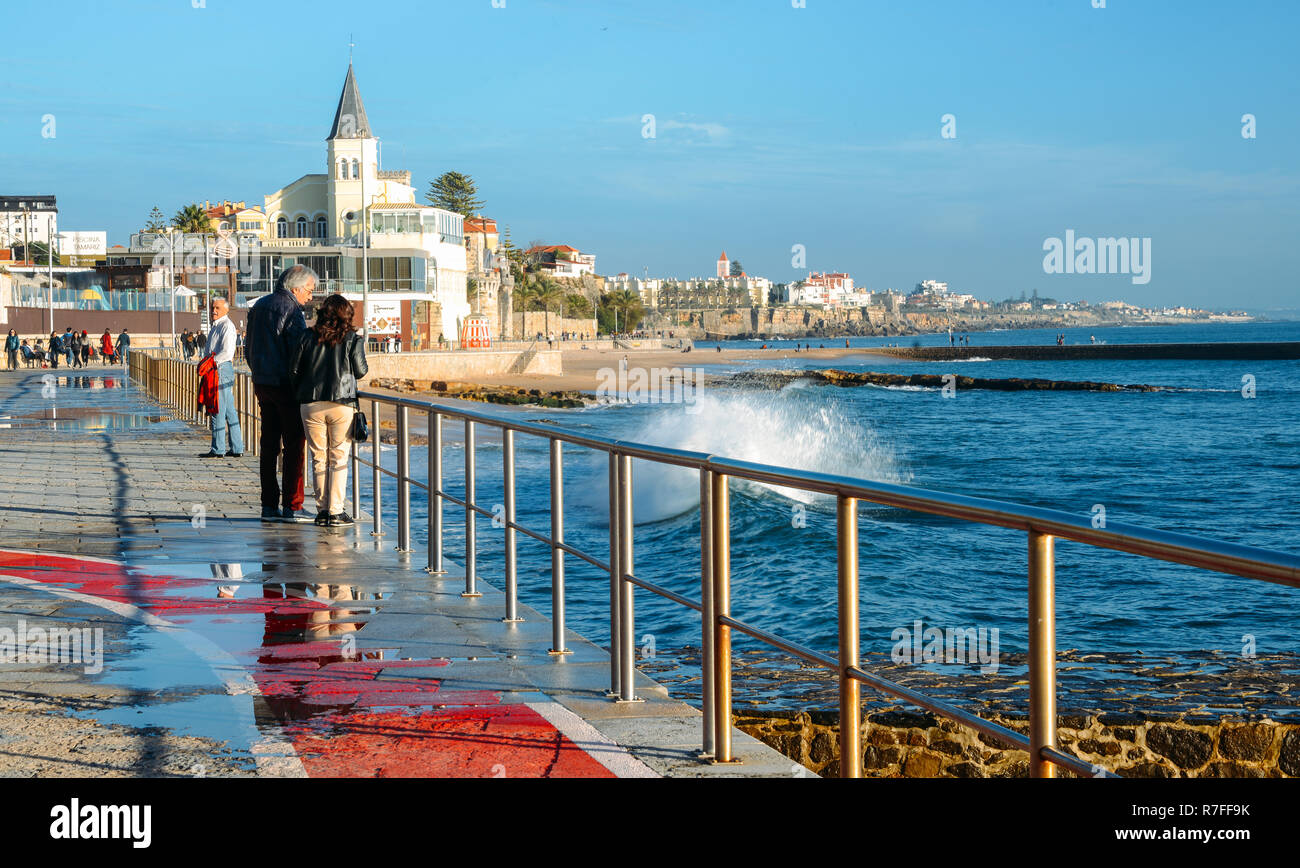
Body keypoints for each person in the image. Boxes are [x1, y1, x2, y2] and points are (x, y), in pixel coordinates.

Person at [290, 293, 367, 527]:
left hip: (310, 403)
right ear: (346, 315)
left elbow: (293, 369)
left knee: (318, 457)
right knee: (338, 457)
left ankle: (322, 510)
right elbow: (361, 370)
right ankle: (336, 511)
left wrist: (303, 392)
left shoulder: (306, 335)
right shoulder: (353, 339)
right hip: (342, 403)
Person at [246, 264, 312, 522]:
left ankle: (268, 505)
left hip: (262, 382)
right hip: (285, 385)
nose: (310, 296)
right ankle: (292, 506)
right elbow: (298, 349)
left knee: (269, 444)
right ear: (295, 288)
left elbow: (249, 345)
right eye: (309, 290)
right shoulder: (292, 309)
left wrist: (258, 372)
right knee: (294, 444)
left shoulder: (260, 305)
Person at [199, 295, 245, 459]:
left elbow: (227, 352)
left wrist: (210, 362)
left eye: (217, 308)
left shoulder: (227, 326)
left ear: (226, 309)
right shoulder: (215, 326)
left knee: (218, 408)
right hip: (215, 368)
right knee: (229, 410)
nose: (213, 311)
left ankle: (218, 448)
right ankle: (237, 447)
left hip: (220, 369)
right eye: (212, 308)